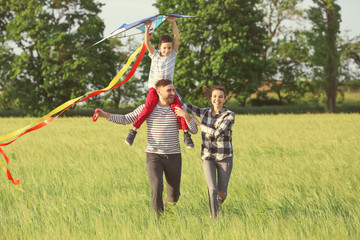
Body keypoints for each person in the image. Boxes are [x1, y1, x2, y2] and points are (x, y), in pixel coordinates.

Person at [95, 79, 198, 215]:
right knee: (156, 188)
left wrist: (186, 116)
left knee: (174, 196)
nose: (173, 93)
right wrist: (105, 115)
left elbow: (194, 131)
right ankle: (159, 223)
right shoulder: (148, 108)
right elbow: (126, 119)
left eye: (173, 90)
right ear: (159, 91)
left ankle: (168, 214)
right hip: (153, 156)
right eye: (169, 90)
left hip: (174, 156)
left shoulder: (178, 109)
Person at [125, 16, 194, 148]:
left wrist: (174, 23)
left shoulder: (173, 54)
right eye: (164, 48)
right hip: (154, 89)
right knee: (147, 108)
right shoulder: (154, 54)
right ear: (159, 47)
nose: (167, 50)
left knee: (179, 107)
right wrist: (147, 28)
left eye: (169, 47)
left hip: (168, 90)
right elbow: (146, 43)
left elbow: (177, 38)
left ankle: (186, 134)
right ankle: (133, 131)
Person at [174, 86, 235, 218]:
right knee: (212, 188)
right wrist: (172, 88)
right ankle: (214, 218)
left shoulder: (229, 115)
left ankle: (218, 203)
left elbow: (217, 134)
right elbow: (185, 105)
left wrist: (200, 125)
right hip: (207, 157)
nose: (217, 99)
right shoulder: (204, 112)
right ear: (210, 98)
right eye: (214, 96)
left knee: (221, 193)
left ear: (224, 99)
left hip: (224, 157)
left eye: (220, 97)